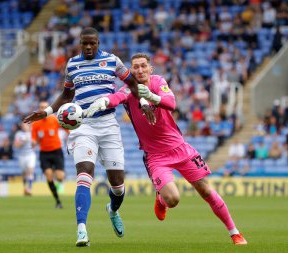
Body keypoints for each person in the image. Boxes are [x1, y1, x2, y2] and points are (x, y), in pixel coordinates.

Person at [84, 53, 248, 245]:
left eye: (143, 66)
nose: (140, 70)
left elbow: (171, 103)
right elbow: (116, 98)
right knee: (173, 199)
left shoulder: (158, 82)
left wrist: (151, 96)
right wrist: (103, 102)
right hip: (155, 156)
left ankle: (234, 232)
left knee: (205, 190)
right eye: (135, 67)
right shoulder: (129, 90)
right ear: (130, 71)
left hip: (180, 148)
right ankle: (161, 198)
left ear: (150, 68)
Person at [23, 27, 154, 247]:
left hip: (109, 124)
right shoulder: (72, 64)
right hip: (83, 125)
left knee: (118, 186)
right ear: (80, 43)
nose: (89, 47)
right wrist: (46, 113)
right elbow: (67, 94)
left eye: (92, 43)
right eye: (85, 43)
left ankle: (112, 209)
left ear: (98, 42)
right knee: (84, 173)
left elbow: (131, 83)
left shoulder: (112, 61)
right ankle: (81, 230)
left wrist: (143, 101)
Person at [31, 101, 68, 208]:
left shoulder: (54, 119)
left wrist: (73, 136)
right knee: (49, 176)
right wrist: (33, 142)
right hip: (44, 153)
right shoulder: (36, 123)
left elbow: (66, 128)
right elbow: (33, 138)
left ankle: (59, 182)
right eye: (41, 107)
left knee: (60, 177)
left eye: (45, 107)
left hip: (56, 151)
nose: (43, 109)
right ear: (39, 109)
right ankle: (57, 201)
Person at [13, 122, 36, 196]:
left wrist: (33, 142)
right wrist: (22, 142)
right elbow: (16, 145)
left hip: (30, 155)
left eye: (25, 124)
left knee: (30, 171)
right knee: (24, 173)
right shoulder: (18, 134)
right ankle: (25, 188)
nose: (24, 126)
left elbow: (35, 143)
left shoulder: (32, 132)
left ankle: (29, 189)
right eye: (23, 125)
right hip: (22, 156)